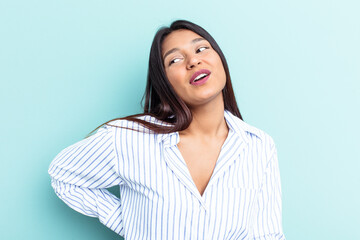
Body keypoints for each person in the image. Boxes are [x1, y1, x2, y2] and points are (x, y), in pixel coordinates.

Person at [48, 20, 285, 240]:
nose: (193, 61)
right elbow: (63, 176)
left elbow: (268, 235)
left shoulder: (258, 145)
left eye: (201, 49)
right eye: (175, 60)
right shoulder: (128, 138)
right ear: (164, 82)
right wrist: (132, 224)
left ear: (220, 60)